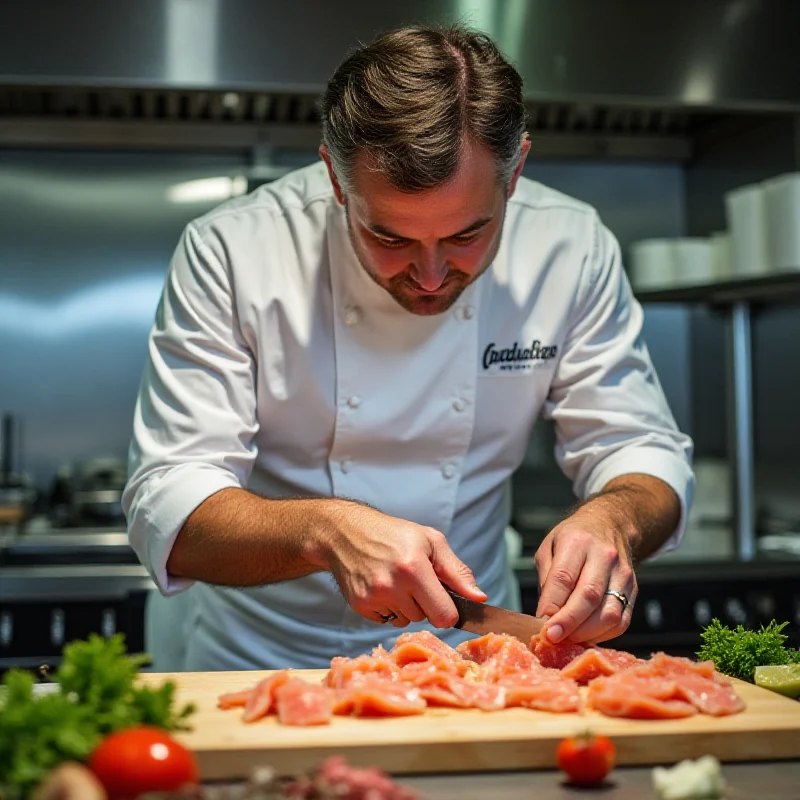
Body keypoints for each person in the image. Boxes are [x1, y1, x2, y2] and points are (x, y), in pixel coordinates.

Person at [123, 24, 693, 671]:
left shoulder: (570, 246)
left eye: (467, 235)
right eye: (390, 238)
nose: (429, 275)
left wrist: (613, 519)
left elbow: (639, 446)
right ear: (337, 183)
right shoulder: (233, 251)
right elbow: (168, 498)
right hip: (259, 656)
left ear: (516, 175)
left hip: (472, 655)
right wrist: (325, 530)